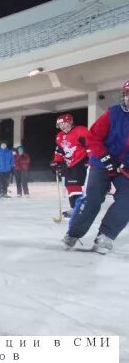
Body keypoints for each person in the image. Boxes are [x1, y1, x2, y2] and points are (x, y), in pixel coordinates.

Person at [63, 81, 129, 254]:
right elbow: (92, 137)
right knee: (93, 199)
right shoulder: (113, 113)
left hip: (124, 166)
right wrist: (106, 158)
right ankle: (74, 233)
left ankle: (105, 236)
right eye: (128, 95)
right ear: (124, 96)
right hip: (101, 161)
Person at [50, 113, 90, 217]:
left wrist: (90, 158)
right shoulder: (59, 136)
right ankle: (75, 208)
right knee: (70, 186)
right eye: (60, 124)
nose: (63, 126)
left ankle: (79, 208)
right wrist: (56, 161)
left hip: (80, 162)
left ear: (71, 122)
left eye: (65, 123)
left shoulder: (80, 131)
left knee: (75, 185)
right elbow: (59, 151)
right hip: (69, 164)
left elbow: (91, 144)